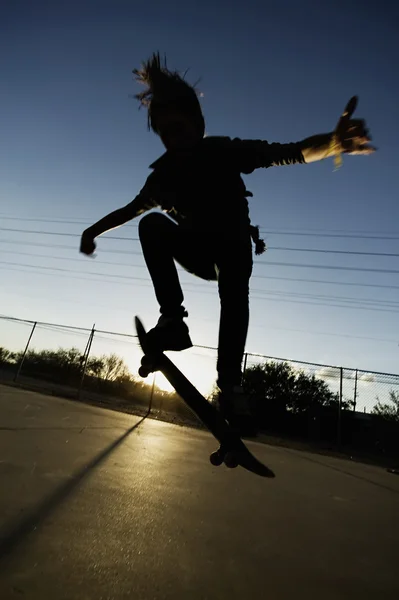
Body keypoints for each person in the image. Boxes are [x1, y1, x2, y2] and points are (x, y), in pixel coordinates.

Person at [80, 52, 375, 435]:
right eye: (167, 134)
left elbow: (287, 153)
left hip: (233, 248)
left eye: (181, 129)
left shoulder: (223, 151)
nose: (175, 140)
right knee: (152, 224)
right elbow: (131, 210)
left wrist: (333, 142)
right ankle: (173, 322)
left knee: (234, 289)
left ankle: (231, 385)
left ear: (198, 125)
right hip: (198, 252)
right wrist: (92, 231)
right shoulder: (163, 176)